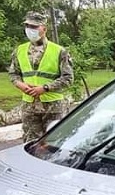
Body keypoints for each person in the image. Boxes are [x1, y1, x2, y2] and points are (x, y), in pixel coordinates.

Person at [8, 11, 73, 142]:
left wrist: (45, 88)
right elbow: (13, 74)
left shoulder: (59, 51)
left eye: (34, 27)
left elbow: (68, 78)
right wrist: (20, 85)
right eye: (27, 26)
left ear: (44, 28)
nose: (29, 30)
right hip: (29, 107)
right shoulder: (19, 50)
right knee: (30, 145)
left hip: (53, 106)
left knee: (54, 144)